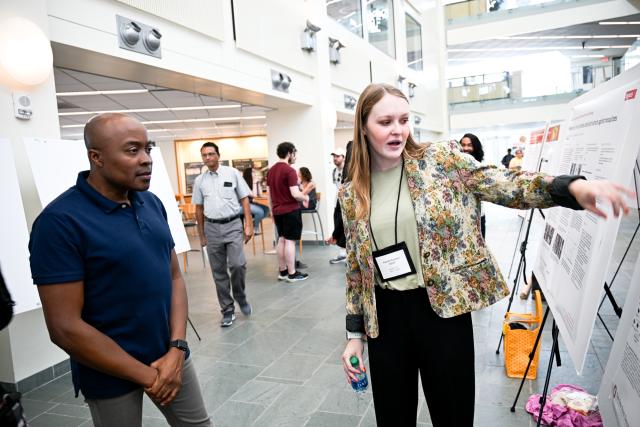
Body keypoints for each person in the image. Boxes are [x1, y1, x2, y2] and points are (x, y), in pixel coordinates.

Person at [339, 83, 633, 427]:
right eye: (385, 122)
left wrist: (568, 187)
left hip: (443, 311)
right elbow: (356, 271)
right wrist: (354, 338)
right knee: (393, 417)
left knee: (454, 415)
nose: (398, 130)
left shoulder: (441, 161)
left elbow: (504, 182)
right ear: (363, 126)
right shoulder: (352, 191)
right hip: (385, 319)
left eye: (404, 120)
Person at [29, 113, 210, 426]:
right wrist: (150, 376)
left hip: (171, 354)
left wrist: (177, 348)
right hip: (109, 371)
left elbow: (174, 277)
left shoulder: (151, 203)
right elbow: (64, 326)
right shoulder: (60, 222)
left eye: (148, 149)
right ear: (96, 157)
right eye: (132, 151)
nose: (146, 160)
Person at [193, 142, 253, 327]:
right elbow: (199, 209)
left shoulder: (232, 173)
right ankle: (227, 309)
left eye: (211, 154)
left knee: (237, 264)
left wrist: (248, 224)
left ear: (218, 155)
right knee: (218, 271)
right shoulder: (199, 181)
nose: (208, 157)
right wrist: (202, 235)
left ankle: (240, 297)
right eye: (204, 155)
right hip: (212, 228)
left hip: (233, 224)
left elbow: (244, 200)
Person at [266, 142, 309, 283]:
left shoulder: (271, 170)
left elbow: (269, 195)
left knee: (282, 239)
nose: (295, 156)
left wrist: (272, 211)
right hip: (290, 210)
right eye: (294, 153)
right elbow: (295, 194)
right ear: (290, 153)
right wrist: (305, 197)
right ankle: (292, 273)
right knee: (290, 241)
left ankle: (283, 271)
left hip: (278, 211)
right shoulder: (289, 170)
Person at [326, 142, 353, 264]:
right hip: (338, 201)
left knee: (346, 225)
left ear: (343, 157)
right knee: (338, 223)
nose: (335, 159)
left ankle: (348, 252)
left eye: (337, 156)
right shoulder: (334, 172)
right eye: (334, 156)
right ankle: (343, 252)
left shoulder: (349, 169)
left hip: (349, 201)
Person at [459, 133, 487, 238]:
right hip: (461, 218)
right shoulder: (454, 166)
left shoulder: (480, 167)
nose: (465, 148)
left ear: (475, 147)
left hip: (478, 217)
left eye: (469, 145)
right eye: (463, 145)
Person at [242, 167, 270, 235]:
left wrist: (258, 184)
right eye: (253, 172)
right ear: (249, 174)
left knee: (267, 210)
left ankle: (254, 223)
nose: (255, 174)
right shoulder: (244, 183)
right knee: (260, 212)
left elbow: (259, 194)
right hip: (244, 204)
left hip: (251, 203)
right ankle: (255, 228)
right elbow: (253, 195)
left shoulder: (255, 182)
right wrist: (254, 183)